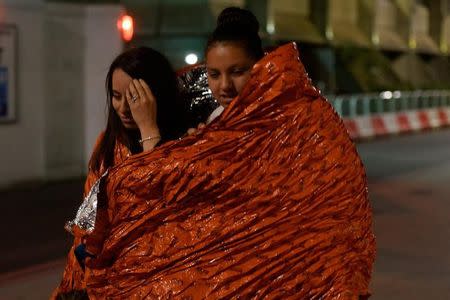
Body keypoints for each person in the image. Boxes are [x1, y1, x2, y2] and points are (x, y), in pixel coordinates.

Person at [57, 7, 375, 299]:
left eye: (237, 71)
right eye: (214, 74)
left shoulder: (302, 120)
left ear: (262, 66)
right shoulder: (201, 129)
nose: (224, 86)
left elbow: (332, 202)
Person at [52, 47, 189, 299]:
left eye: (134, 97)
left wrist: (149, 130)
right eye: (116, 96)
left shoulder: (185, 141)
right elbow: (89, 223)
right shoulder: (108, 145)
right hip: (102, 273)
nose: (123, 108)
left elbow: (166, 206)